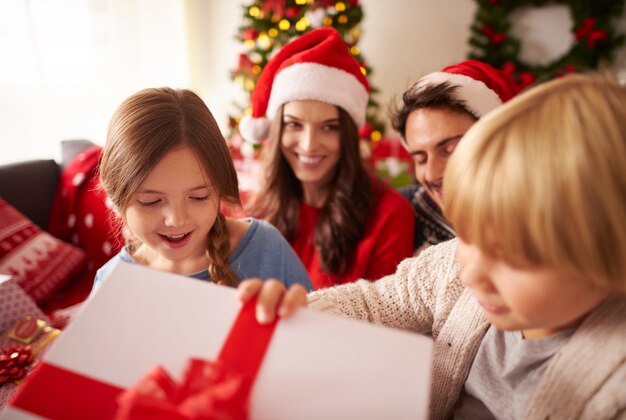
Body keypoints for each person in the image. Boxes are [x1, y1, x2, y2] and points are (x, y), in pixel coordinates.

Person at [238, 73, 626, 419]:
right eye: (468, 236)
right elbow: (374, 304)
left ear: (605, 249)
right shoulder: (449, 267)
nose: (470, 273)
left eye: (509, 256)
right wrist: (299, 309)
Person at [240, 27, 414, 289]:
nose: (309, 145)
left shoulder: (389, 215)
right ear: (276, 131)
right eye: (294, 124)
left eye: (329, 127)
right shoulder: (256, 210)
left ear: (347, 134)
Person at [92, 87, 313, 293]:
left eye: (199, 197)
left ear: (219, 189)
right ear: (117, 200)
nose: (177, 220)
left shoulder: (266, 248)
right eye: (151, 201)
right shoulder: (111, 283)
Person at [391, 60, 519, 254]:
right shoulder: (398, 213)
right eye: (420, 159)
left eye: (450, 150)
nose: (432, 174)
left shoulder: (546, 219)